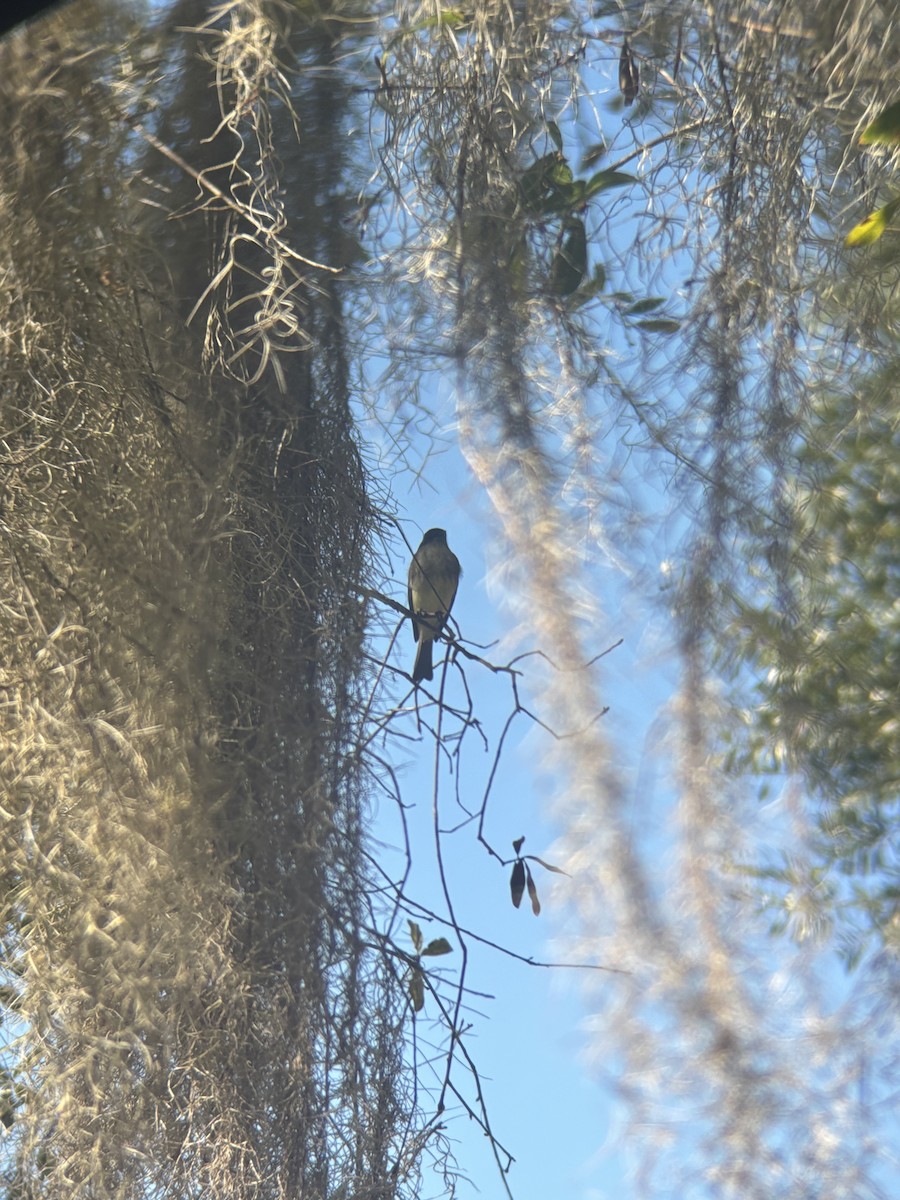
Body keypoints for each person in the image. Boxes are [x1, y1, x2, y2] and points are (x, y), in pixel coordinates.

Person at [407, 528, 461, 683]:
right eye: (435, 537)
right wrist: (418, 614)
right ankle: (422, 668)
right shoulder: (418, 559)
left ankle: (422, 668)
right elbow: (412, 591)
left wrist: (441, 615)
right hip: (420, 612)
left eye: (442, 537)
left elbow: (451, 595)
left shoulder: (453, 561)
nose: (440, 539)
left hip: (439, 614)